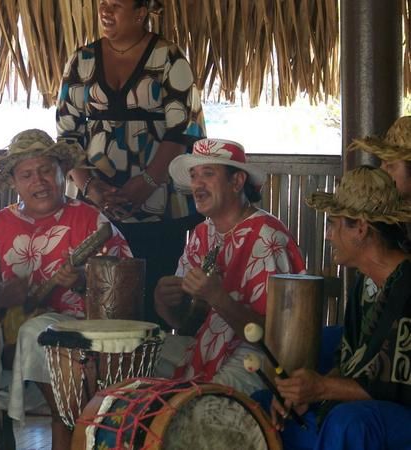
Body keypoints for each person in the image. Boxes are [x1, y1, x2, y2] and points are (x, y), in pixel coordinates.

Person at [0, 129, 132, 450]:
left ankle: (64, 425)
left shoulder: (92, 221)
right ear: (14, 182)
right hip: (4, 328)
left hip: (74, 330)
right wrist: (1, 298)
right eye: (27, 174)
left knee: (36, 331)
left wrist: (84, 281)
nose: (38, 181)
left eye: (46, 171)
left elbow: (124, 292)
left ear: (61, 174)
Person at [56, 0, 206, 326]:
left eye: (117, 5)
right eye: (102, 4)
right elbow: (67, 137)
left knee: (153, 300)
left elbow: (182, 131)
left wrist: (148, 183)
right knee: (101, 300)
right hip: (100, 205)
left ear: (141, 13)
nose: (105, 11)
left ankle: (152, 376)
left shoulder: (168, 57)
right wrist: (91, 187)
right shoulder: (82, 60)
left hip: (159, 204)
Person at [261, 166, 411, 450]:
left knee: (349, 422)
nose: (328, 235)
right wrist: (304, 394)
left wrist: (323, 388)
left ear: (361, 228)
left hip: (398, 409)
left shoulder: (407, 287)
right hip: (371, 404)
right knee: (263, 401)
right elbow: (349, 360)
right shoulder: (365, 284)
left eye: (334, 224)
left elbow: (401, 386)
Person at [154, 138, 306, 395]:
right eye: (194, 175)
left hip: (257, 355)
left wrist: (217, 297)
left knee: (201, 400)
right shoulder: (203, 233)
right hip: (206, 343)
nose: (197, 185)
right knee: (135, 360)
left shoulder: (269, 238)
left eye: (208, 174)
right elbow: (185, 325)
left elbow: (277, 339)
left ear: (236, 182)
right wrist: (162, 301)